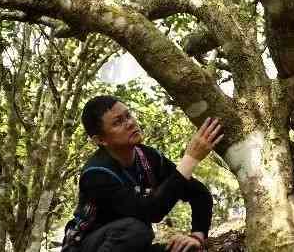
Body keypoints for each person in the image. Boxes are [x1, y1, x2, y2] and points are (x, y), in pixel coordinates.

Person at [62, 95, 223, 252]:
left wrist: (196, 237)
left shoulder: (148, 157)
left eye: (128, 115)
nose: (130, 123)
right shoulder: (96, 174)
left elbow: (199, 194)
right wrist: (190, 159)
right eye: (118, 122)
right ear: (100, 140)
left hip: (131, 244)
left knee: (185, 249)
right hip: (86, 245)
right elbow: (151, 211)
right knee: (136, 229)